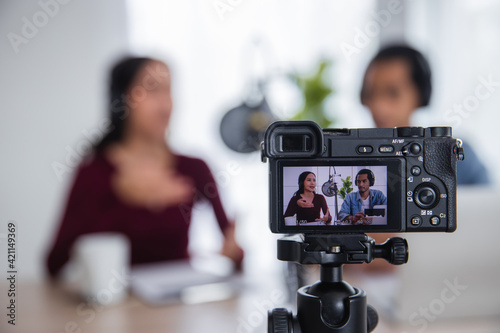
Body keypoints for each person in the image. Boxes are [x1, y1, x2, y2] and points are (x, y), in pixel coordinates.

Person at [46, 56, 243, 278]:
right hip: (115, 308)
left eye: (168, 90)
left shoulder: (194, 168)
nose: (165, 104)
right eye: (152, 90)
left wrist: (233, 253)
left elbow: (234, 253)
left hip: (178, 306)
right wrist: (123, 200)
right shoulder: (94, 172)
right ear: (122, 98)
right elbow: (55, 263)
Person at [360, 45, 490, 185]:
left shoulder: (453, 155)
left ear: (421, 95)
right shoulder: (356, 154)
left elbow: (487, 203)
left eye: (393, 93)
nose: (378, 106)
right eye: (370, 93)